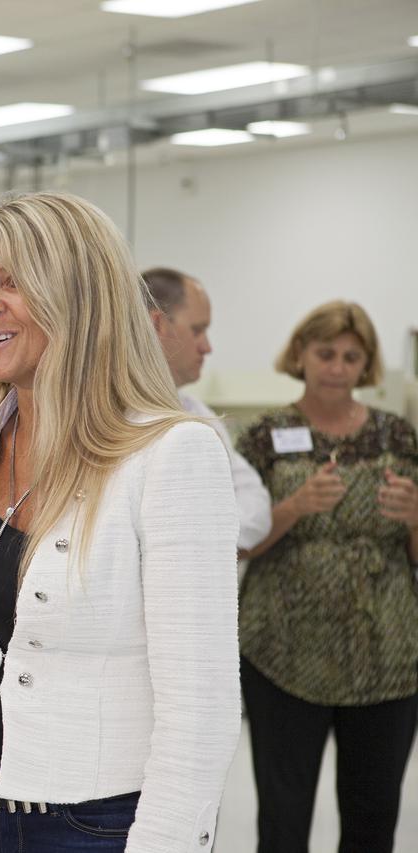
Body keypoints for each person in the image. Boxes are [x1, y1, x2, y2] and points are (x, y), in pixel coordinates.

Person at [0, 191, 240, 853]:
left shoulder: (170, 454)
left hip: (99, 823)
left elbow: (201, 701)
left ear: (78, 297)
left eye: (13, 282)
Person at [234, 300, 418, 853]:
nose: (337, 366)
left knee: (373, 814)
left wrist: (415, 517)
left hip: (387, 655)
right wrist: (292, 507)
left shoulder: (399, 436)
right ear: (300, 355)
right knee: (283, 816)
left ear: (367, 365)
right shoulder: (265, 435)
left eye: (351, 356)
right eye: (326, 353)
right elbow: (236, 543)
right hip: (282, 651)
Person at [142, 266, 272, 550]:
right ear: (156, 325)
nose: (207, 347)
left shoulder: (200, 415)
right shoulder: (108, 412)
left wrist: (195, 535)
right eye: (197, 330)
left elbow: (255, 505)